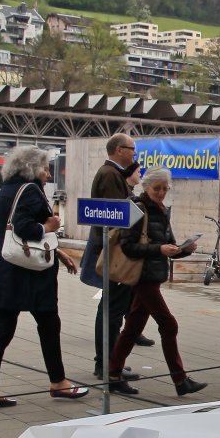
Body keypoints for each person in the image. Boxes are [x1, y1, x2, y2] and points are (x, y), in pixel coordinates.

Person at [0, 145, 88, 409]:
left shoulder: (7, 190)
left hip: (6, 271)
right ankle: (58, 382)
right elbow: (25, 228)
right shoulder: (30, 191)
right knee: (49, 325)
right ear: (32, 169)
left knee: (2, 330)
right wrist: (49, 226)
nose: (48, 175)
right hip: (29, 277)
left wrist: (58, 252)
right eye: (46, 169)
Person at [108, 168, 208, 396]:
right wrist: (159, 249)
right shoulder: (137, 208)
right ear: (146, 187)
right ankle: (180, 380)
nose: (161, 193)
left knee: (132, 328)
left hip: (154, 275)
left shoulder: (162, 210)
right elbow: (128, 246)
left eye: (165, 188)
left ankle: (113, 375)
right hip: (143, 277)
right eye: (157, 189)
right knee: (169, 325)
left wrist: (184, 249)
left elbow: (168, 245)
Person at [91, 133, 152, 382]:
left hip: (116, 251)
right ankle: (106, 363)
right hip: (116, 252)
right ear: (119, 150)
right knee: (111, 310)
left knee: (114, 308)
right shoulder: (110, 175)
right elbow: (116, 216)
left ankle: (111, 361)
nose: (135, 153)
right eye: (132, 148)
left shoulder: (114, 174)